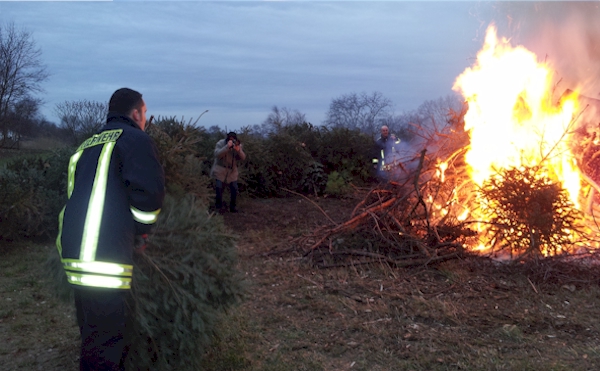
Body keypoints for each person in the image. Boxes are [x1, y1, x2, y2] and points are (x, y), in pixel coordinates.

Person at [55, 88, 165, 370]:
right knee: (105, 345)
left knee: (92, 335)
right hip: (104, 260)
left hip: (74, 255)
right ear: (137, 112)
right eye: (145, 113)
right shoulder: (136, 140)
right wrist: (142, 233)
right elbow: (147, 197)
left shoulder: (86, 145)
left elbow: (72, 196)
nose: (145, 119)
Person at [210, 131, 246, 212]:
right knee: (219, 188)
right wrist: (227, 147)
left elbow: (243, 157)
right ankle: (218, 207)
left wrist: (238, 150)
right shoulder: (220, 143)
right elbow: (217, 154)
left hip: (232, 171)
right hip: (220, 169)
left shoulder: (238, 145)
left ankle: (233, 207)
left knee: (234, 188)